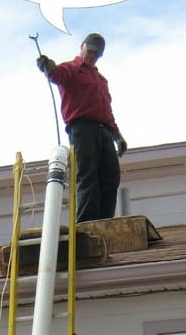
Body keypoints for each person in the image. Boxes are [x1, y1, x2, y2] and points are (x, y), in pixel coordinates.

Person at [36, 33, 127, 223]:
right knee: (88, 173)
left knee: (111, 176)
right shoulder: (71, 69)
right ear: (82, 46)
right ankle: (86, 221)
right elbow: (56, 74)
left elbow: (107, 111)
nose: (93, 55)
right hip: (82, 129)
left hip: (104, 131)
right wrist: (47, 65)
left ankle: (104, 221)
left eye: (97, 53)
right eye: (91, 50)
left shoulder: (101, 80)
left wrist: (117, 136)